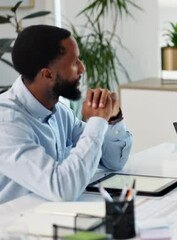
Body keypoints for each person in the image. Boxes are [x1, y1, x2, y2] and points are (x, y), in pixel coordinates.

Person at [0, 25, 133, 204]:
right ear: (47, 74)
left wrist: (113, 118)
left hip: (49, 216)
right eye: (74, 63)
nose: (82, 69)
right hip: (13, 225)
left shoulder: (59, 111)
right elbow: (62, 189)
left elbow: (113, 161)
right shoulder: (6, 123)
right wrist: (97, 121)